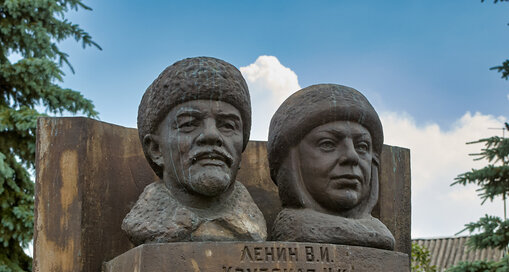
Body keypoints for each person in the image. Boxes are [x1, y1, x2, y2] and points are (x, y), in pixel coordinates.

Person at [122, 57, 267, 245]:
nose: (211, 135)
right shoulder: (145, 224)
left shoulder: (254, 228)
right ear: (156, 149)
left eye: (228, 125)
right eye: (189, 124)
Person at [267, 84, 394, 250]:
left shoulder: (381, 235)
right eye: (328, 144)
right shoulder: (292, 231)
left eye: (362, 146)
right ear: (290, 159)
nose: (352, 156)